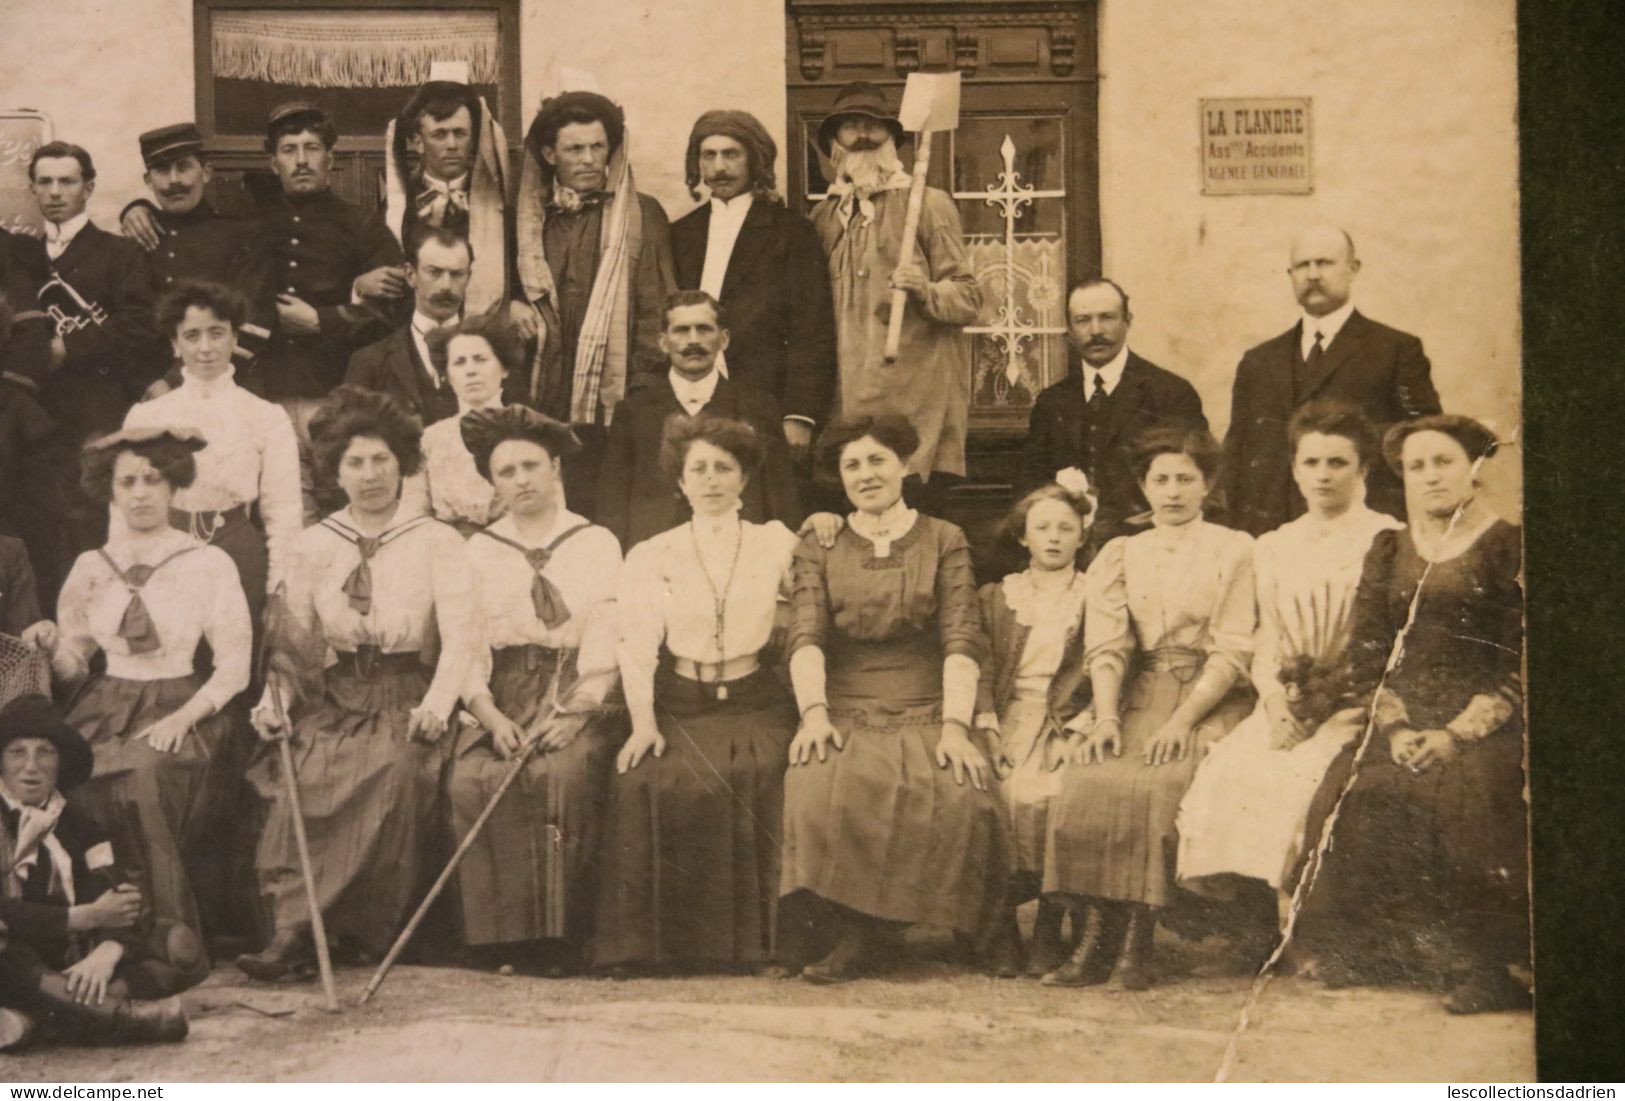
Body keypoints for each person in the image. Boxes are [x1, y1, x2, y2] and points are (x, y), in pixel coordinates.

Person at [238, 387, 476, 980]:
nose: (369, 475)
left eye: (381, 461)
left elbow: (465, 637)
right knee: (301, 767)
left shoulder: (437, 541)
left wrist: (439, 705)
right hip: (336, 694)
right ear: (335, 473)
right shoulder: (314, 545)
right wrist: (274, 704)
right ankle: (293, 930)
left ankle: (357, 928)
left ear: (403, 464)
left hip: (405, 692)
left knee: (392, 771)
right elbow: (295, 644)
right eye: (354, 463)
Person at [1296, 414, 1527, 1015]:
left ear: (1474, 469)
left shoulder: (1509, 544)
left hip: (1482, 717)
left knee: (1466, 799)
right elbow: (1368, 652)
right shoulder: (1390, 548)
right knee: (1352, 792)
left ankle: (1483, 966)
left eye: (1443, 462)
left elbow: (1520, 656)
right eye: (1416, 467)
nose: (1429, 477)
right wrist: (1395, 728)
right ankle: (1378, 949)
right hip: (1402, 713)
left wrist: (1455, 734)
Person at [778, 414, 1004, 983]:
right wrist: (814, 714)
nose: (866, 474)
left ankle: (974, 927)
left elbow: (961, 634)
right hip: (847, 698)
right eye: (851, 465)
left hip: (928, 696)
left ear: (906, 464)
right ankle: (858, 932)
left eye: (878, 460)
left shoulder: (944, 538)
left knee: (962, 790)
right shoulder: (820, 543)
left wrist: (956, 725)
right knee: (820, 784)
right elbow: (805, 634)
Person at [1042, 428, 1255, 990]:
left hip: (1211, 698)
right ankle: (1094, 937)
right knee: (1088, 777)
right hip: (1137, 693)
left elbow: (1233, 649)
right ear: (1142, 486)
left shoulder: (1236, 549)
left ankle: (1138, 939)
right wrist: (1107, 717)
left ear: (1208, 484)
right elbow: (1108, 645)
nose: (1172, 491)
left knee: (1160, 786)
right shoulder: (1121, 552)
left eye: (1186, 478)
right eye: (1159, 479)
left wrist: (1184, 721)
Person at [1175, 404, 1403, 930]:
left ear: (1364, 469)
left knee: (1300, 779)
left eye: (1338, 463)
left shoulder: (1389, 537)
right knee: (1231, 769)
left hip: (1357, 701)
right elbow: (1268, 640)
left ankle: (1303, 927)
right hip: (1287, 702)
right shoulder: (1274, 545)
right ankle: (1249, 924)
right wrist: (1277, 707)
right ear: (1295, 469)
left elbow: (1391, 638)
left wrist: (1338, 701)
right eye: (1312, 462)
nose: (1323, 475)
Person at [31, 426, 249, 967]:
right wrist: (52, 644)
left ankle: (160, 939)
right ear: (109, 490)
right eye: (126, 481)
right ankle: (69, 932)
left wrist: (185, 717)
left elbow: (235, 668)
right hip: (105, 703)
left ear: (174, 486)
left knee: (142, 777)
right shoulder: (90, 567)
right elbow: (75, 665)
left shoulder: (208, 563)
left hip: (185, 705)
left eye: (153, 479)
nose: (140, 493)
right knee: (63, 774)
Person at [594, 415, 799, 973]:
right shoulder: (652, 553)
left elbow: (813, 608)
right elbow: (636, 646)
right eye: (698, 469)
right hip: (680, 702)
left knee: (768, 770)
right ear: (680, 482)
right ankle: (658, 948)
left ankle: (765, 945)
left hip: (757, 697)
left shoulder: (775, 543)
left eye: (724, 468)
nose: (711, 480)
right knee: (649, 777)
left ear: (745, 479)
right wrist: (643, 723)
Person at [450, 406, 622, 974]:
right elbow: (466, 646)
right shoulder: (479, 551)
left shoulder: (595, 542)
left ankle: (557, 937)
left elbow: (606, 631)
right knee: (474, 779)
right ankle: (500, 938)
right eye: (506, 472)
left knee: (560, 776)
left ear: (555, 470)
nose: (521, 480)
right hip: (504, 690)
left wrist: (578, 712)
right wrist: (488, 714)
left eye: (531, 466)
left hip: (575, 689)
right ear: (493, 483)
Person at [809, 83, 983, 515]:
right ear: (835, 145)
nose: (863, 136)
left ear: (893, 140)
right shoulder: (823, 217)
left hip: (913, 410)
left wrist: (925, 290)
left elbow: (969, 296)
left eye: (874, 127)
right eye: (851, 128)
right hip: (848, 409)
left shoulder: (928, 205)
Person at [514, 91, 676, 515]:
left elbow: (658, 308)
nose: (588, 159)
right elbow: (506, 294)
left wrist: (639, 395)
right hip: (544, 389)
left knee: (610, 509)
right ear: (550, 154)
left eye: (597, 147)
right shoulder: (530, 220)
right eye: (574, 149)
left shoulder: (641, 214)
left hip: (615, 397)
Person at [1219, 225, 1441, 534]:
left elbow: (1422, 439)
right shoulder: (1258, 361)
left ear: (1353, 268)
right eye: (1302, 265)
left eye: (1324, 263)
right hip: (1269, 526)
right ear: (1290, 274)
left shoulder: (1395, 349)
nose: (1312, 274)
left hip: (1363, 525)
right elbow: (1235, 454)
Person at [0, 694, 189, 1050]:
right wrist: (80, 917)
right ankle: (124, 1018)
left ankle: (40, 1019)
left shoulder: (76, 821)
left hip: (70, 961)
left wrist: (108, 950)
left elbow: (116, 892)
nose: (31, 766)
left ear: (59, 763)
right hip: (16, 959)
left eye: (45, 752)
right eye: (17, 752)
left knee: (181, 948)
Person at [252, 102, 406, 518]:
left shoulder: (363, 228)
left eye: (312, 148)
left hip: (338, 396)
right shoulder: (250, 224)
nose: (301, 160)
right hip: (270, 398)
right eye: (288, 150)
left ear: (331, 159)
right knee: (286, 519)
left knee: (347, 509)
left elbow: (393, 314)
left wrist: (324, 321)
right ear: (272, 162)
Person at [123, 281, 303, 630]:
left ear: (235, 339)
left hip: (238, 555)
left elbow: (284, 514)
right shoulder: (146, 417)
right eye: (191, 336)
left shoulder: (266, 416)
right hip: (162, 556)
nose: (205, 348)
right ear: (175, 344)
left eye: (217, 333)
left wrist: (279, 591)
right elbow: (124, 511)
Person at [972, 473, 1096, 978]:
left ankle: (1051, 921)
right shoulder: (996, 597)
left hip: (1066, 720)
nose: (1053, 538)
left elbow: (1114, 667)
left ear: (1081, 538)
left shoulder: (1097, 596)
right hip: (1006, 717)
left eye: (1065, 529)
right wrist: (986, 727)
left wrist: (1080, 730)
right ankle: (998, 924)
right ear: (1022, 536)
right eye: (1041, 527)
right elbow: (975, 665)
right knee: (989, 792)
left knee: (1057, 793)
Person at [23, 142, 164, 576]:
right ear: (32, 189)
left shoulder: (120, 253)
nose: (55, 192)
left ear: (89, 188)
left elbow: (141, 324)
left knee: (94, 528)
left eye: (67, 181)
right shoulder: (20, 256)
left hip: (97, 411)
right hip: (36, 417)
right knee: (39, 530)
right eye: (44, 182)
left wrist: (71, 347)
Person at [670, 110, 836, 456]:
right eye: (709, 155)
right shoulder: (682, 234)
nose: (719, 167)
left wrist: (799, 413)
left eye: (732, 154)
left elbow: (812, 329)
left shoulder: (790, 232)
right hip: (693, 398)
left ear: (754, 160)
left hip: (765, 402)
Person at [596, 291, 800, 549]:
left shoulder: (758, 408)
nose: (693, 340)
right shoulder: (634, 411)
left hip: (738, 556)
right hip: (658, 559)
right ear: (663, 342)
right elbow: (612, 503)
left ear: (723, 339)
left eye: (704, 329)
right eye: (681, 330)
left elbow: (782, 503)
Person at [1021, 280, 1206, 551]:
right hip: (1070, 550)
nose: (1095, 331)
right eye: (1083, 320)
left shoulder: (1170, 393)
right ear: (1070, 331)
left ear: (1127, 321)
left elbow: (1193, 477)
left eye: (1107, 318)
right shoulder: (1052, 402)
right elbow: (1031, 484)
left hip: (1150, 545)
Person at [116, 123, 275, 387]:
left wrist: (173, 381)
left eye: (184, 166)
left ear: (207, 172)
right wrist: (145, 384)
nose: (174, 180)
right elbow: (127, 325)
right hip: (144, 387)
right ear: (148, 180)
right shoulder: (137, 237)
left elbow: (252, 325)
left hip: (224, 384)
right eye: (162, 170)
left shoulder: (243, 236)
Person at [384, 76, 536, 341]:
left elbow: (518, 269)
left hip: (484, 340)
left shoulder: (498, 209)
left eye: (460, 133)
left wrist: (517, 301)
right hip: (414, 338)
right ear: (419, 142)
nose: (452, 144)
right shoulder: (398, 210)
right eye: (439, 135)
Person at [399, 310, 523, 535]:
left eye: (480, 359)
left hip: (513, 553)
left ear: (504, 368)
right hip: (445, 553)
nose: (471, 371)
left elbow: (551, 513)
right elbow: (412, 515)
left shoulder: (531, 432)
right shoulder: (430, 440)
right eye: (459, 362)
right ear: (447, 375)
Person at [346, 226, 473, 427]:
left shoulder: (495, 355)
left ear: (469, 278)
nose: (446, 285)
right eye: (434, 272)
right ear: (410, 275)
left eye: (457, 274)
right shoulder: (369, 361)